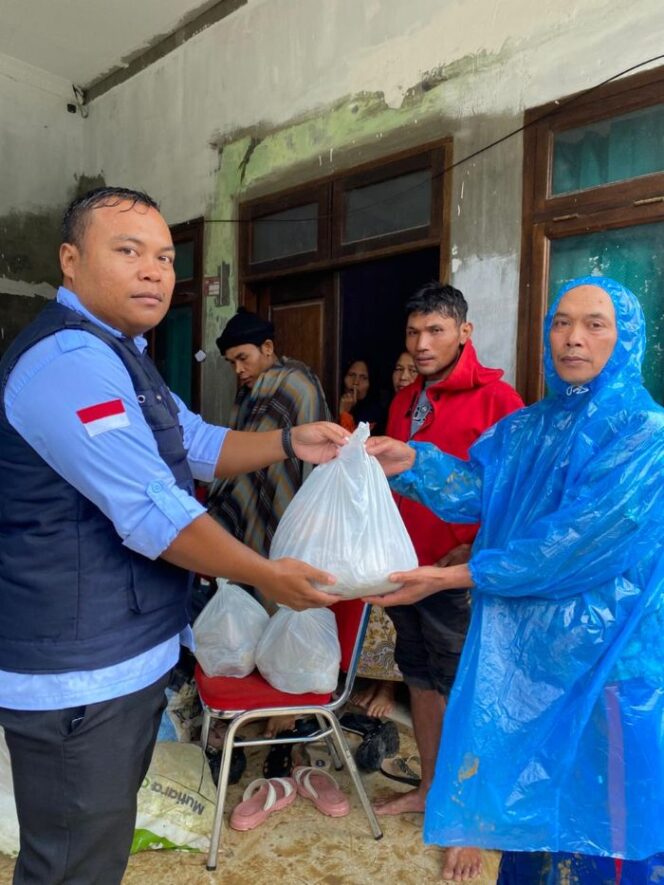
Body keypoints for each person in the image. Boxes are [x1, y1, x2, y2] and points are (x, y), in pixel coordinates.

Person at [0, 186, 347, 885]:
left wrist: (288, 440)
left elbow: (193, 442)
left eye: (163, 256)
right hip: (78, 668)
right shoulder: (69, 361)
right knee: (72, 863)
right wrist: (266, 573)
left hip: (118, 651)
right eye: (128, 252)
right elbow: (153, 510)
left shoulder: (121, 352)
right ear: (71, 261)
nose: (155, 271)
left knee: (96, 843)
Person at [366, 277, 664, 882]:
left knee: (605, 817)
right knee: (531, 804)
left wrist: (458, 574)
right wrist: (413, 463)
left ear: (625, 337)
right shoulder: (531, 428)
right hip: (533, 655)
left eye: (594, 324)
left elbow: (581, 543)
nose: (572, 338)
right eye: (561, 322)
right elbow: (486, 490)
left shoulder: (643, 433)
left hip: (611, 659)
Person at [372, 282, 524, 882]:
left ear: (464, 333)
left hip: (456, 574)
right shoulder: (406, 399)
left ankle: (470, 821)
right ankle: (434, 790)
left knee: (470, 690)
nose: (422, 343)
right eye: (414, 332)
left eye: (435, 330)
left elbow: (513, 494)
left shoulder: (499, 400)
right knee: (422, 683)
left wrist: (475, 546)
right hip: (405, 567)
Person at [208, 307, 330, 562]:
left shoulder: (298, 386)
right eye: (232, 363)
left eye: (243, 358)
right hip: (251, 504)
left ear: (267, 347)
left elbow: (309, 464)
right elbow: (242, 451)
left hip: (290, 503)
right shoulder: (249, 391)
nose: (238, 370)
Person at [352, 351, 418, 718]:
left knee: (400, 604)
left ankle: (390, 688)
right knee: (380, 605)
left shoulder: (419, 407)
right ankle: (377, 681)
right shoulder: (393, 407)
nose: (403, 375)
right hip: (386, 514)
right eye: (398, 367)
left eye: (410, 369)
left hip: (413, 522)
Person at [338, 358, 385, 434]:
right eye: (351, 375)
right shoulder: (330, 405)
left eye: (363, 378)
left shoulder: (376, 416)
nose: (356, 382)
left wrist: (344, 414)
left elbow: (350, 443)